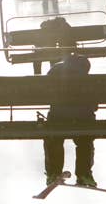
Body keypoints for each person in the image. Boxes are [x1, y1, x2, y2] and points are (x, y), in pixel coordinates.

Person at [40, 17, 98, 187]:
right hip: (83, 119)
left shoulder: (54, 72)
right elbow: (94, 103)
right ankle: (84, 173)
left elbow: (43, 95)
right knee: (85, 139)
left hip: (58, 117)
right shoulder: (88, 78)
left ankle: (53, 172)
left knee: (53, 137)